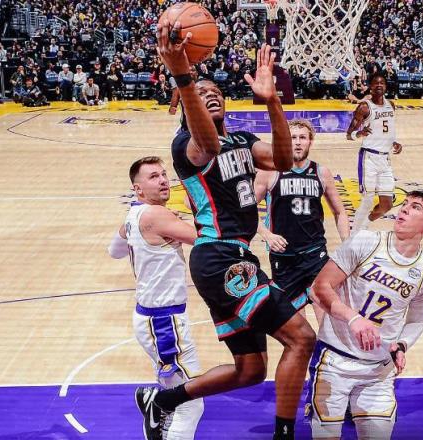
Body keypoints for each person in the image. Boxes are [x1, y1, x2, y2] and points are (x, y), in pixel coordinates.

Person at [136, 21, 316, 440]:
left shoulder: (242, 140)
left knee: (251, 370)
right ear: (186, 104)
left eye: (216, 90)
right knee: (302, 337)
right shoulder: (185, 145)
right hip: (219, 256)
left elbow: (284, 161)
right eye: (202, 93)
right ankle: (284, 434)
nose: (211, 92)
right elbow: (209, 146)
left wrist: (273, 102)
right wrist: (184, 77)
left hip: (234, 257)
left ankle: (163, 401)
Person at [307, 191, 423, 440]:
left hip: (379, 373)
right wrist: (353, 318)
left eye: (415, 207)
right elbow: (319, 288)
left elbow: (416, 321)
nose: (404, 209)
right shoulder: (366, 241)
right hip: (334, 362)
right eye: (404, 204)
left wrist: (402, 344)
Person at [108, 156, 203, 440]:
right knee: (191, 404)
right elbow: (205, 239)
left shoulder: (134, 215)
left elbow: (114, 251)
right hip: (164, 322)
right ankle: (157, 403)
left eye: (163, 174)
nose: (163, 180)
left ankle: (155, 402)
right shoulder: (156, 215)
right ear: (137, 189)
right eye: (153, 177)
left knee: (175, 389)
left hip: (151, 317)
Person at [254, 119, 350, 323]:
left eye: (302, 138)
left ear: (310, 142)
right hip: (284, 259)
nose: (297, 142)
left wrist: (347, 245)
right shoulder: (270, 171)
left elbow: (340, 212)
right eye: (293, 138)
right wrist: (266, 234)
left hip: (316, 255)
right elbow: (245, 210)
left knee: (328, 324)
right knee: (298, 330)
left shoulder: (321, 172)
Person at [346, 74, 403, 234]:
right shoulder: (364, 107)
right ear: (370, 87)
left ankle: (363, 226)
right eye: (375, 83)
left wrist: (394, 143)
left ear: (386, 86)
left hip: (385, 159)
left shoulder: (391, 105)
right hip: (369, 158)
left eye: (382, 83)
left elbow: (387, 130)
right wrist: (359, 133)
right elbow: (349, 134)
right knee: (368, 199)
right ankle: (355, 235)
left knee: (387, 204)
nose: (379, 85)